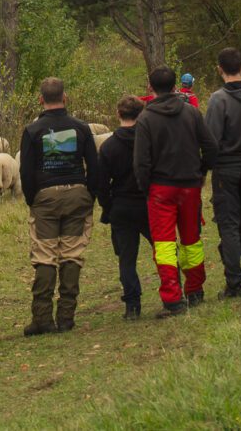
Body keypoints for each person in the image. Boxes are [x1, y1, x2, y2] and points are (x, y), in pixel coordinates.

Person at [133, 66, 219, 317]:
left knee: (164, 243)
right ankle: (195, 289)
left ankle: (172, 299)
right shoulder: (192, 113)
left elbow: (141, 161)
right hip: (190, 186)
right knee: (192, 239)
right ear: (175, 86)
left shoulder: (146, 118)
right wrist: (201, 171)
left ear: (150, 87)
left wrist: (145, 186)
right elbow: (211, 147)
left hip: (160, 188)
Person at [19, 77, 99, 336]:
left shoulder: (32, 131)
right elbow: (94, 166)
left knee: (45, 255)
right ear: (65, 98)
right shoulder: (82, 128)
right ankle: (66, 316)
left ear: (40, 99)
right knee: (71, 254)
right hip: (78, 194)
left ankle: (42, 319)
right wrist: (91, 195)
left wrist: (33, 199)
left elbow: (26, 171)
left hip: (45, 197)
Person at [204, 48, 241, 298]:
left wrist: (208, 165)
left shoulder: (218, 99)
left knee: (229, 224)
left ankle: (235, 282)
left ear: (219, 69)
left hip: (227, 167)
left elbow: (211, 139)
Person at [97, 96, 151, 320]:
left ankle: (132, 305)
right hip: (149, 204)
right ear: (141, 114)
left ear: (118, 114)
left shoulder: (109, 145)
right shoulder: (148, 140)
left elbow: (100, 182)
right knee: (164, 248)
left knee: (126, 257)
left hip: (122, 206)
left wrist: (108, 206)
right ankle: (174, 291)